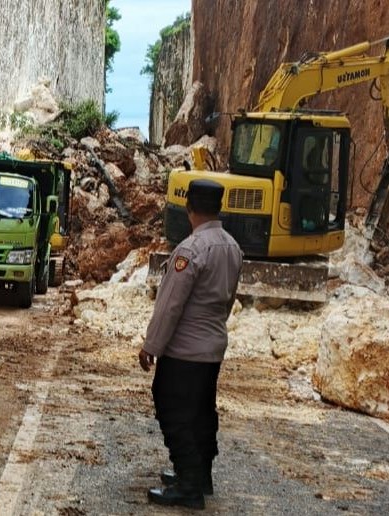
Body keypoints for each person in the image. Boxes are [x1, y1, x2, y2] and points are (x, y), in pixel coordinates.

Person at [138, 179, 242, 510]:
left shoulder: (190, 250)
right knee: (201, 413)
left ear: (189, 208)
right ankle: (201, 475)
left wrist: (151, 345)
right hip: (212, 347)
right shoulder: (232, 247)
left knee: (174, 411)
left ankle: (188, 484)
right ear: (219, 208)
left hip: (184, 350)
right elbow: (228, 301)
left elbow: (170, 305)